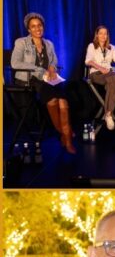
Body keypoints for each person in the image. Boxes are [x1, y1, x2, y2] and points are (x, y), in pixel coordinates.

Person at [11, 12, 75, 154]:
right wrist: (39, 69)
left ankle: (66, 137)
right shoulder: (21, 42)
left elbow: (54, 60)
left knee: (63, 100)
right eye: (33, 26)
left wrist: (52, 67)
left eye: (39, 25)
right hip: (30, 79)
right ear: (28, 29)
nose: (37, 29)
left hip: (48, 78)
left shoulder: (49, 44)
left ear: (43, 27)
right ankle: (66, 135)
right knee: (52, 98)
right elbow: (14, 63)